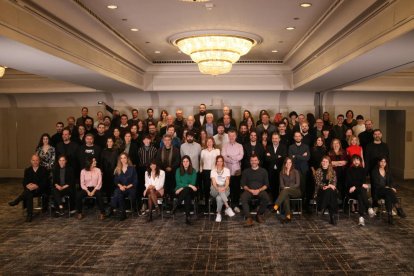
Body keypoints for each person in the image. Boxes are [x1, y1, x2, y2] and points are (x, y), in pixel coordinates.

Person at [8, 155, 49, 222]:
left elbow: (45, 182)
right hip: (30, 190)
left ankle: (17, 200)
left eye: (36, 160)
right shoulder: (27, 170)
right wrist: (27, 185)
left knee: (28, 192)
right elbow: (24, 181)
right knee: (29, 194)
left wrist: (36, 186)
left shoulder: (44, 170)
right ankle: (29, 215)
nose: (35, 162)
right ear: (31, 161)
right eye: (33, 160)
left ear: (39, 161)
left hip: (40, 190)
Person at [371, 158, 406, 224]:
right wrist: (388, 188)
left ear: (386, 163)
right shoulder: (374, 171)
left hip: (386, 192)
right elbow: (376, 184)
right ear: (378, 162)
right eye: (381, 161)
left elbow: (391, 181)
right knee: (389, 191)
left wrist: (390, 187)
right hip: (378, 192)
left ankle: (390, 217)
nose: (383, 163)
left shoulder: (388, 171)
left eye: (384, 162)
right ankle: (398, 209)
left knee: (388, 196)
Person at [240, 154, 270, 226]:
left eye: (255, 160)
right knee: (243, 198)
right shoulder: (246, 171)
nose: (254, 162)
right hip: (249, 191)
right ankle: (249, 218)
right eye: (252, 160)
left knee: (266, 198)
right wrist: (250, 190)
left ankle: (258, 215)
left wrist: (259, 190)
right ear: (250, 162)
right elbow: (243, 184)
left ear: (258, 161)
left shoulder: (263, 171)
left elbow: (266, 185)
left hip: (260, 190)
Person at [107, 153, 138, 221]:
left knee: (117, 192)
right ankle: (123, 213)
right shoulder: (118, 169)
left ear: (127, 159)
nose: (123, 159)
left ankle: (112, 207)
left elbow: (135, 181)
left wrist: (127, 186)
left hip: (130, 188)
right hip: (122, 188)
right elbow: (115, 181)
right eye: (121, 158)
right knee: (118, 193)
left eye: (124, 158)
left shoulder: (132, 168)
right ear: (120, 160)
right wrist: (121, 186)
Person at [346, 155, 375, 226]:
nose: (356, 162)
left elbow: (362, 181)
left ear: (360, 161)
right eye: (355, 160)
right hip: (352, 192)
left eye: (358, 160)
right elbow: (349, 182)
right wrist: (360, 185)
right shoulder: (349, 170)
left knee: (360, 194)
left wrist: (355, 186)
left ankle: (361, 218)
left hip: (358, 191)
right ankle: (369, 207)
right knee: (361, 191)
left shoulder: (363, 170)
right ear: (352, 161)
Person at [273, 157, 301, 223]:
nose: (288, 164)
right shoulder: (281, 173)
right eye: (287, 162)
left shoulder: (295, 172)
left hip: (296, 191)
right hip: (285, 192)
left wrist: (288, 188)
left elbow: (297, 184)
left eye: (290, 162)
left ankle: (276, 206)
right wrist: (285, 188)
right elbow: (281, 185)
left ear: (292, 163)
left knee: (285, 191)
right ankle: (288, 216)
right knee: (285, 195)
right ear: (284, 164)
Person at [222, 129, 244, 213]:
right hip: (227, 171)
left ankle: (236, 206)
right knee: (227, 189)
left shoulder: (240, 146)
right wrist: (234, 158)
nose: (231, 137)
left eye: (233, 136)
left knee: (236, 190)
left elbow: (241, 156)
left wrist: (230, 157)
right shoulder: (224, 146)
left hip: (236, 171)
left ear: (236, 136)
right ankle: (227, 207)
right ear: (228, 136)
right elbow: (224, 156)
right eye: (230, 136)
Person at [173, 155, 198, 225]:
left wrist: (182, 187)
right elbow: (178, 182)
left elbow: (193, 183)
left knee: (187, 191)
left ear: (189, 162)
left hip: (189, 190)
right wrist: (188, 185)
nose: (185, 163)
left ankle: (177, 204)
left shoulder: (193, 171)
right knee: (187, 196)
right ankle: (187, 217)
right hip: (180, 192)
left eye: (187, 161)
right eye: (184, 161)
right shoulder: (178, 170)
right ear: (182, 163)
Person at [210, 155, 235, 222]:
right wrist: (218, 188)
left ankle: (218, 214)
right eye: (218, 161)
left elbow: (227, 181)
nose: (219, 163)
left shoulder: (227, 170)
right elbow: (214, 183)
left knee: (219, 198)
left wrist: (225, 187)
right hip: (214, 189)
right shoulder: (213, 171)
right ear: (216, 162)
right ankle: (227, 207)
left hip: (225, 188)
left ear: (223, 162)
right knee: (219, 191)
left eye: (221, 161)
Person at [288, 132, 310, 209]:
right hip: (294, 170)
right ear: (294, 138)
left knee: (303, 188)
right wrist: (301, 155)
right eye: (296, 136)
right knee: (294, 187)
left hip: (303, 170)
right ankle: (294, 205)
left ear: (301, 137)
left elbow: (307, 158)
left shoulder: (306, 147)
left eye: (299, 136)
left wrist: (296, 155)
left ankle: (302, 206)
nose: (297, 137)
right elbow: (291, 158)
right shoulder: (291, 147)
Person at [314, 156, 338, 225]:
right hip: (321, 190)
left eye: (326, 162)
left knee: (330, 191)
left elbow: (334, 182)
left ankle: (322, 207)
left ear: (329, 163)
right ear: (321, 163)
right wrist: (325, 186)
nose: (324, 163)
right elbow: (317, 182)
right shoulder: (318, 171)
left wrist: (330, 186)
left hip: (330, 190)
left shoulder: (332, 171)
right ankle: (332, 217)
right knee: (330, 192)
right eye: (323, 161)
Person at [265, 133, 287, 201]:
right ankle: (274, 203)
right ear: (271, 139)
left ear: (279, 139)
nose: (275, 140)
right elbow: (266, 159)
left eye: (276, 138)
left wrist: (271, 156)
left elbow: (283, 158)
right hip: (271, 171)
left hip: (280, 170)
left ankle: (280, 202)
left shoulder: (283, 147)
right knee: (272, 187)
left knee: (280, 186)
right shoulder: (268, 147)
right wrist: (277, 156)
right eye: (273, 138)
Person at [200, 137, 220, 209]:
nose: (209, 143)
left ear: (213, 142)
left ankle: (214, 206)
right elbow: (201, 162)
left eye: (210, 141)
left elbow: (219, 161)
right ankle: (206, 205)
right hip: (205, 171)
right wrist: (201, 170)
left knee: (214, 188)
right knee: (206, 188)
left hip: (214, 171)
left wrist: (218, 171)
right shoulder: (203, 151)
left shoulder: (217, 151)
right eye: (207, 141)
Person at [100, 137, 119, 201]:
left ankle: (114, 200)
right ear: (107, 142)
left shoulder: (116, 151)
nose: (110, 143)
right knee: (107, 185)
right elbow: (101, 162)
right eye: (108, 141)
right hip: (105, 171)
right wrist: (102, 171)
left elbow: (117, 161)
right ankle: (108, 200)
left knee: (114, 185)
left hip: (114, 171)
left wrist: (116, 169)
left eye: (111, 141)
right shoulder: (103, 151)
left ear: (113, 142)